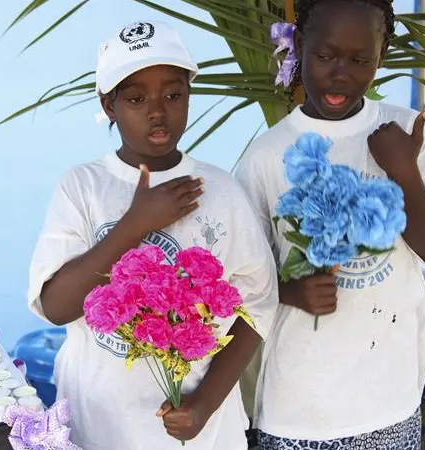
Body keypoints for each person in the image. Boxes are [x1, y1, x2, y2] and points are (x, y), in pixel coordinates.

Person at [27, 20, 278, 450]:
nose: (157, 111)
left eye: (173, 95)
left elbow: (256, 306)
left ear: (189, 96)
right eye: (136, 98)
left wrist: (203, 404)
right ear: (109, 106)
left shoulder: (221, 192)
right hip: (100, 427)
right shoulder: (83, 187)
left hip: (201, 435)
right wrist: (134, 225)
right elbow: (55, 306)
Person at [233, 1, 425, 449]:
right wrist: (291, 290)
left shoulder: (408, 133)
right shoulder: (267, 156)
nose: (341, 74)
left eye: (360, 60)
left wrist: (404, 171)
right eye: (324, 56)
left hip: (389, 396)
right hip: (300, 406)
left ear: (382, 53)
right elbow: (240, 279)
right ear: (299, 45)